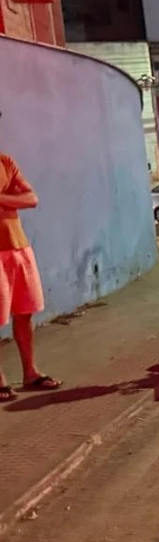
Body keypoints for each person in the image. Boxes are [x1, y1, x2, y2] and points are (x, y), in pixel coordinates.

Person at [0, 151, 59, 402]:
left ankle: (30, 373)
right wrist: (11, 200)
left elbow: (31, 198)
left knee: (25, 313)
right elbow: (21, 199)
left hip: (18, 248)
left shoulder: (5, 162)